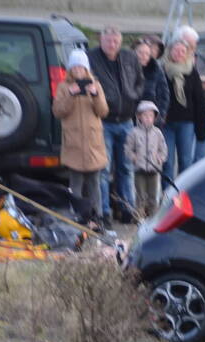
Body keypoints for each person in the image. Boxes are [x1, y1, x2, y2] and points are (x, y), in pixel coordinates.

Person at [87, 26, 144, 224]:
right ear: (101, 40)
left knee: (126, 168)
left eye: (116, 42)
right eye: (108, 41)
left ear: (120, 42)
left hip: (127, 120)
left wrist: (133, 97)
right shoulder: (92, 58)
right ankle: (104, 212)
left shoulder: (129, 57)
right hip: (104, 121)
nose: (112, 45)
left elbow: (139, 81)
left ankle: (128, 209)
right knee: (103, 168)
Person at [52, 49, 109, 221]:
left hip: (93, 144)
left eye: (81, 67)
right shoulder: (63, 87)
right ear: (70, 69)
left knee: (94, 184)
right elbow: (58, 112)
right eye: (74, 67)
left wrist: (95, 95)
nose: (78, 70)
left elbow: (103, 111)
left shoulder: (96, 85)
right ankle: (75, 217)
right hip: (74, 144)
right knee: (75, 184)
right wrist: (71, 94)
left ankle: (97, 217)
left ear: (86, 69)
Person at [162, 39, 205, 185]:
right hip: (166, 123)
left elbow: (199, 101)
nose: (179, 54)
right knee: (167, 162)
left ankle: (183, 193)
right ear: (170, 51)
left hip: (187, 123)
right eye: (176, 50)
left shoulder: (192, 72)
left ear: (187, 53)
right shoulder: (162, 70)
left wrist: (201, 129)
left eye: (183, 51)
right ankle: (166, 196)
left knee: (185, 161)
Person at [175, 25, 205, 162]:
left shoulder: (202, 59)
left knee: (201, 155)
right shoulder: (173, 61)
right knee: (185, 157)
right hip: (184, 114)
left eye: (194, 43)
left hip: (203, 111)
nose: (193, 47)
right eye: (190, 43)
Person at [125, 101, 167, 219]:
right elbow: (127, 149)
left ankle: (154, 219)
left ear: (154, 118)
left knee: (153, 197)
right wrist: (134, 157)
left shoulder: (158, 133)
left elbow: (163, 149)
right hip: (139, 169)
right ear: (139, 117)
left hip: (154, 170)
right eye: (145, 115)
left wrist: (161, 157)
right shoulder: (134, 133)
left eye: (151, 116)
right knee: (140, 197)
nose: (148, 119)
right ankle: (139, 219)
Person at [134, 39, 168, 126]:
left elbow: (164, 95)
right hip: (131, 118)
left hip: (151, 119)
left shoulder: (156, 70)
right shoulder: (126, 68)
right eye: (140, 53)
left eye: (146, 54)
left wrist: (159, 116)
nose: (143, 56)